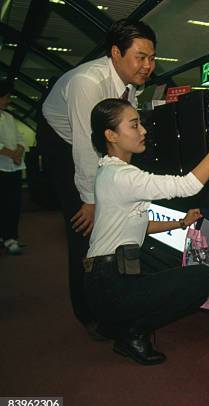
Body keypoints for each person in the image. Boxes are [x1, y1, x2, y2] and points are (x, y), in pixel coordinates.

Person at [84, 98, 209, 365]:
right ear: (111, 135)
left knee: (165, 273)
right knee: (201, 278)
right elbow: (188, 186)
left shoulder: (108, 173)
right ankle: (132, 333)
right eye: (134, 125)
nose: (143, 131)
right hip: (110, 283)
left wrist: (180, 223)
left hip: (102, 280)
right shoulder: (123, 177)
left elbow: (140, 225)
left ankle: (118, 323)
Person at [41, 19, 156, 337]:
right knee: (85, 229)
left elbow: (117, 140)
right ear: (116, 53)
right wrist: (90, 201)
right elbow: (85, 147)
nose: (148, 65)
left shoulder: (130, 84)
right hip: (63, 143)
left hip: (95, 143)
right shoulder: (87, 82)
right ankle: (89, 313)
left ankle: (119, 295)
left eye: (152, 57)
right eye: (141, 57)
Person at [0, 80, 27, 255]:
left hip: (14, 168)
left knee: (13, 204)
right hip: (1, 168)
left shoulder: (8, 117)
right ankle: (5, 238)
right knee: (3, 204)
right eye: (6, 97)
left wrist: (18, 150)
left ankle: (12, 237)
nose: (8, 100)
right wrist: (11, 153)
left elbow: (20, 138)